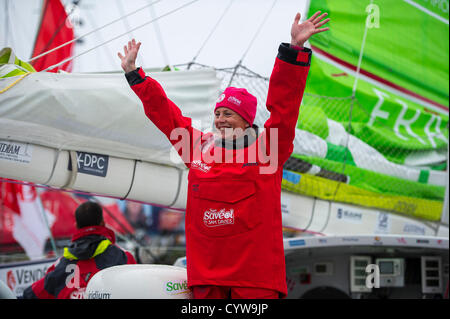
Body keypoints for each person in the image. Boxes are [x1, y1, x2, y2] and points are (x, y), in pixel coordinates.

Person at [118, 11, 329, 299]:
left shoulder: (269, 151)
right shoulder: (198, 149)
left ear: (245, 119)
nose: (220, 120)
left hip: (255, 281)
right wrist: (135, 76)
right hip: (207, 280)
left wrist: (294, 51)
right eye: (217, 114)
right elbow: (168, 117)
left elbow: (285, 109)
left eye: (228, 113)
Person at [22, 201, 136, 299]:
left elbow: (31, 294)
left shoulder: (60, 266)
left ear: (76, 226)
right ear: (103, 223)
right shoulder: (124, 257)